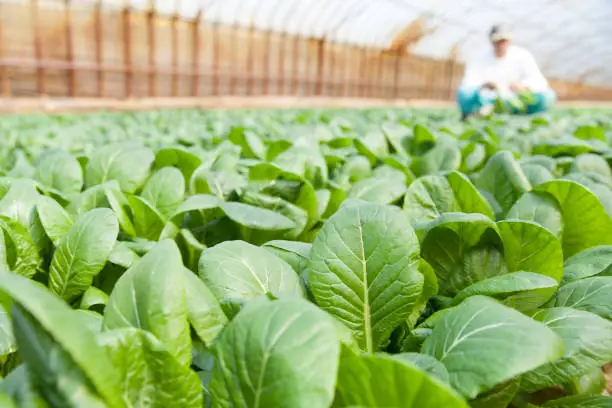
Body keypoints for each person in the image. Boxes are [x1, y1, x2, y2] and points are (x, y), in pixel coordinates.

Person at [456, 24, 557, 120]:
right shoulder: (479, 57)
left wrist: (523, 86)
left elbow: (539, 82)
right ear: (492, 41)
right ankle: (476, 114)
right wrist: (484, 85)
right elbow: (468, 82)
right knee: (464, 93)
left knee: (548, 96)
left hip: (517, 100)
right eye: (497, 41)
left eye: (504, 40)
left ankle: (526, 114)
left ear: (509, 41)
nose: (501, 44)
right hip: (487, 100)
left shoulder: (522, 55)